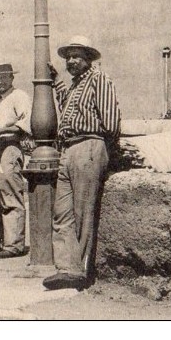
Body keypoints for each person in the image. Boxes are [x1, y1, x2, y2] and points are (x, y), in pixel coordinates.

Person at [42, 36, 122, 291]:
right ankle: (65, 268)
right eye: (68, 57)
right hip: (68, 149)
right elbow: (67, 103)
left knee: (82, 212)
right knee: (62, 212)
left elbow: (111, 124)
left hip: (89, 145)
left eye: (77, 56)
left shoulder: (100, 80)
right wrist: (55, 80)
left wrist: (99, 151)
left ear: (88, 58)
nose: (71, 61)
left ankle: (80, 271)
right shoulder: (76, 85)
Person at [0, 63, 31, 259]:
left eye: (4, 77)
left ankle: (14, 245)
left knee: (10, 195)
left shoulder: (20, 96)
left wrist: (1, 131)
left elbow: (25, 123)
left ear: (11, 77)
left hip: (9, 147)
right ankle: (0, 242)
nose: (0, 81)